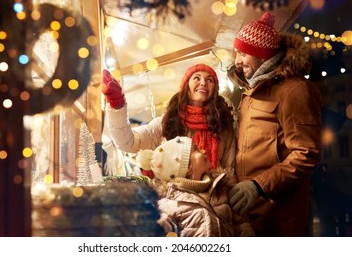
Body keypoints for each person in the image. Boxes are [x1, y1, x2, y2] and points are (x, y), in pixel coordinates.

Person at [227, 12, 322, 236]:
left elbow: (306, 153)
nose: (237, 61)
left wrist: (258, 185)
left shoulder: (294, 90)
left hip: (279, 217)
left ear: (263, 55)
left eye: (243, 53)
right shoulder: (251, 91)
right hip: (250, 214)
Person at [101, 63, 236, 178]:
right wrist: (117, 104)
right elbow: (128, 143)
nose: (203, 83)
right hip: (172, 200)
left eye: (210, 80)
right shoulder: (166, 122)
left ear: (214, 90)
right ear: (186, 87)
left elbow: (230, 171)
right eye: (197, 78)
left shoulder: (223, 127)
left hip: (212, 201)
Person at [136, 136, 254, 237]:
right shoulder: (171, 208)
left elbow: (243, 229)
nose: (203, 151)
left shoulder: (221, 187)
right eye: (196, 149)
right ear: (186, 167)